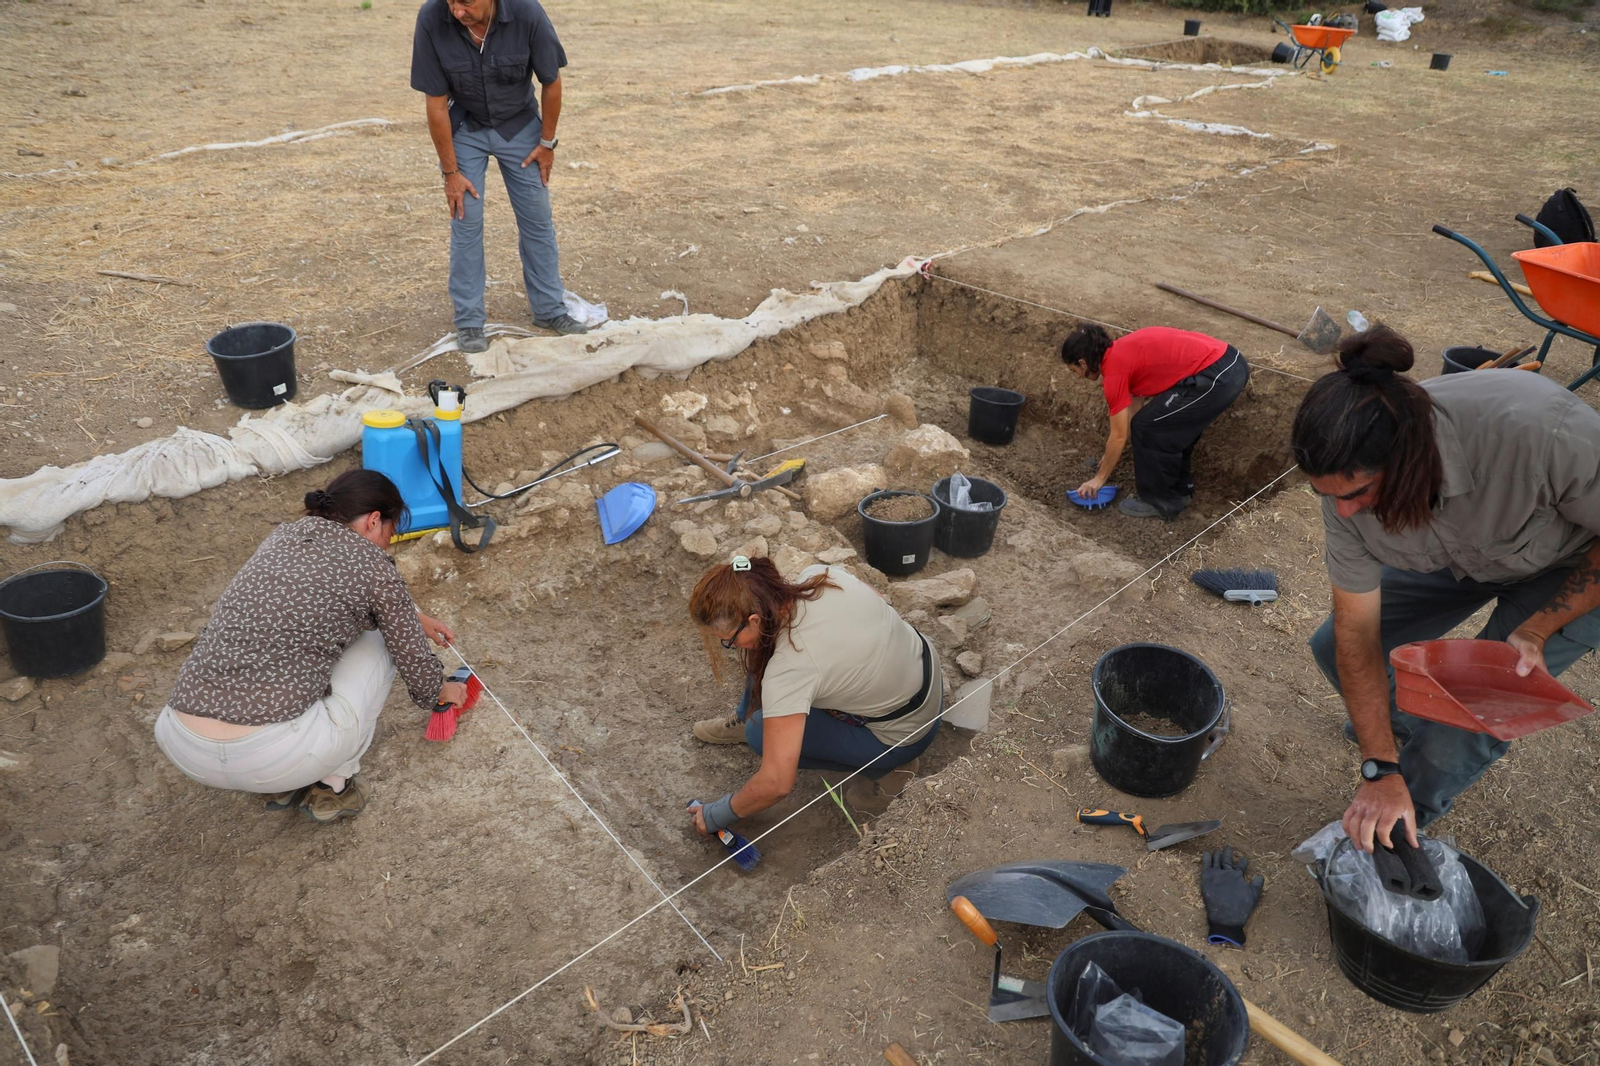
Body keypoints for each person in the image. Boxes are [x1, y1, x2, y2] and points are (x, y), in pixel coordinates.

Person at [1293, 325, 1600, 852]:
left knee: (1466, 724)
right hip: (1455, 551)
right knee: (1330, 648)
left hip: (1572, 561)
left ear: (1406, 459)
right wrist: (1378, 765)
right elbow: (1356, 634)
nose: (1343, 511)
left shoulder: (1540, 432)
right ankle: (1401, 740)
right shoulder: (1346, 491)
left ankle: (1397, 843)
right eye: (1330, 495)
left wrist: (1537, 630)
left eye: (1358, 492)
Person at [153, 471, 467, 823]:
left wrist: (413, 617)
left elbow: (303, 604)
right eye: (391, 532)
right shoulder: (373, 566)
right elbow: (413, 661)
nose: (387, 543)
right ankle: (334, 787)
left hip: (181, 741)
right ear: (374, 520)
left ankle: (283, 785)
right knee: (381, 640)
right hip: (275, 756)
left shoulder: (282, 538)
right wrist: (443, 690)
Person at [685, 556, 942, 835]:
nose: (729, 644)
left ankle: (890, 772)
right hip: (925, 671)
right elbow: (877, 597)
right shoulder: (818, 577)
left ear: (753, 620)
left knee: (759, 732)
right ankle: (742, 717)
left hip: (905, 733)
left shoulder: (791, 670)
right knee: (763, 648)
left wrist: (716, 814)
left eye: (729, 640)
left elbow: (777, 782)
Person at [410, 0, 587, 353]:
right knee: (466, 221)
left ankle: (550, 310)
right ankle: (469, 322)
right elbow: (435, 103)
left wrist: (547, 143)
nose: (457, 11)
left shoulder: (527, 12)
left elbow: (551, 81)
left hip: (519, 126)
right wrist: (450, 172)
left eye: (466, 2)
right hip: (466, 127)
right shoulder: (432, 17)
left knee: (537, 218)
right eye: (451, 1)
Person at [1060, 323, 1249, 518]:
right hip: (1231, 362)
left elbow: (1119, 436)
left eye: (1075, 371)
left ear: (1083, 363)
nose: (1078, 377)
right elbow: (1132, 411)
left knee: (1148, 429)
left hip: (1218, 375)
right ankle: (1180, 490)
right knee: (1163, 426)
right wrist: (1110, 457)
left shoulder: (1114, 371)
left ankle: (1161, 501)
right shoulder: (1121, 351)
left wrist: (1099, 479)